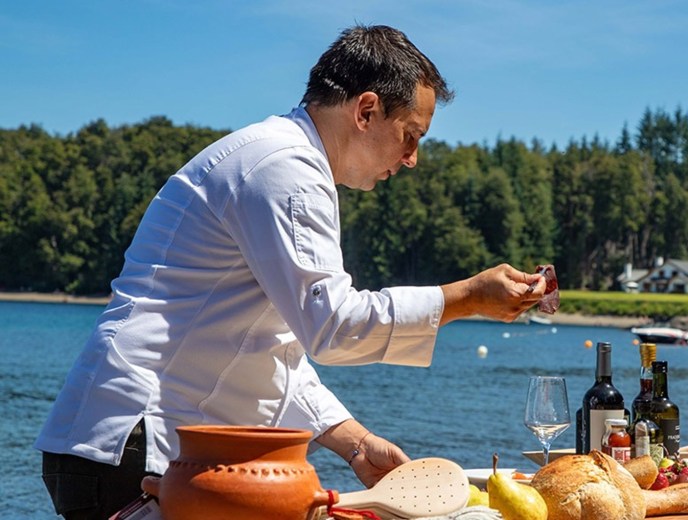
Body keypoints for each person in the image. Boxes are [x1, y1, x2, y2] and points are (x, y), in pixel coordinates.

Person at [35, 25, 548, 519]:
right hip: (135, 442)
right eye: (410, 135)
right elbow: (335, 328)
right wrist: (466, 298)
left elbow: (272, 344)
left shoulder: (280, 159)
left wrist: (355, 443)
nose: (412, 159)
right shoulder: (286, 168)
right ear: (366, 110)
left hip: (129, 443)